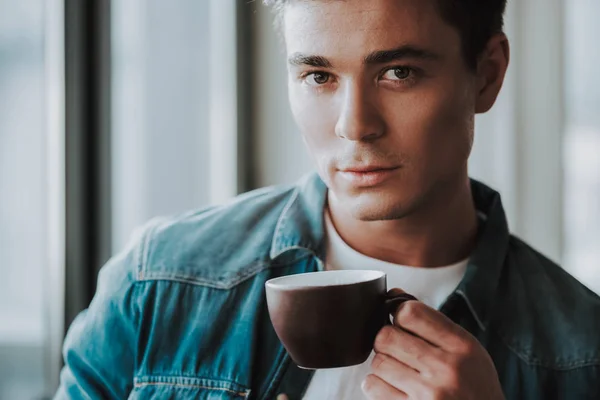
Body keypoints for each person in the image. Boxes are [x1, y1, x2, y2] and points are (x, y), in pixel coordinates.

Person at [55, 0, 600, 399]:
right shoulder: (158, 283)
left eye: (398, 73)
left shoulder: (581, 358)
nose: (354, 126)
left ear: (487, 74)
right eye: (318, 76)